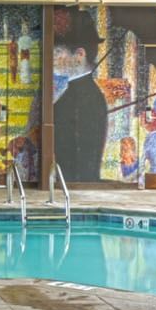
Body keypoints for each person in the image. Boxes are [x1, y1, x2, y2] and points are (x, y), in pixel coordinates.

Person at [52, 11, 109, 182]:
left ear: (79, 55)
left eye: (58, 52)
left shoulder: (88, 97)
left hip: (77, 184)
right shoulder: (71, 93)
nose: (52, 59)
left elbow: (82, 154)